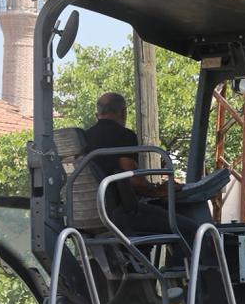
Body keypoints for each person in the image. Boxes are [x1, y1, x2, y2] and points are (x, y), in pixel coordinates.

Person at [83, 90, 211, 254]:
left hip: (93, 218)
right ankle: (196, 277)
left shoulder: (83, 139)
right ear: (123, 113)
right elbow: (132, 179)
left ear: (97, 115)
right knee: (197, 231)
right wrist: (159, 191)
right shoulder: (124, 135)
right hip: (123, 215)